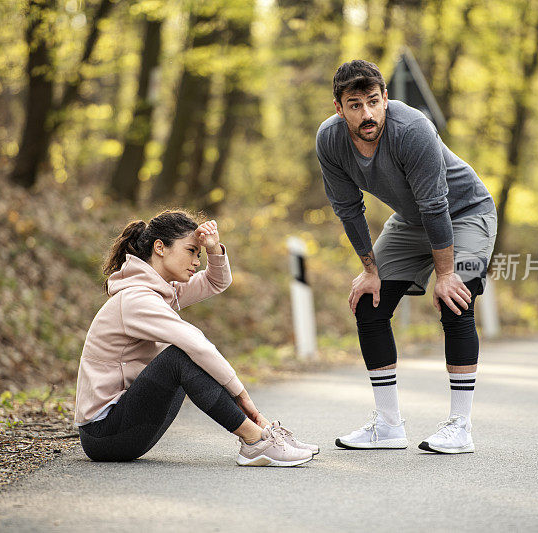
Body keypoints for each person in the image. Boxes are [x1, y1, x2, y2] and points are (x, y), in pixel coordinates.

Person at [316, 60, 497, 453]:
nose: (366, 113)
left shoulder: (412, 129)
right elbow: (348, 208)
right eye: (354, 105)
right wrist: (369, 271)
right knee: (369, 302)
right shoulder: (330, 141)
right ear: (338, 108)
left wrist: (446, 274)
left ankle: (461, 426)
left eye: (373, 101)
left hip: (466, 212)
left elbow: (437, 205)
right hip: (413, 219)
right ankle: (388, 425)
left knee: (455, 301)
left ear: (385, 98)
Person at [74, 210, 318, 466]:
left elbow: (215, 282)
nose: (196, 261)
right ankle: (255, 439)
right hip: (103, 434)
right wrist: (240, 394)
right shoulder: (136, 299)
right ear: (160, 247)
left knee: (184, 355)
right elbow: (196, 343)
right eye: (191, 251)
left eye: (198, 254)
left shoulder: (161, 291)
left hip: (123, 426)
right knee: (180, 355)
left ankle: (262, 433)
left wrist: (213, 249)